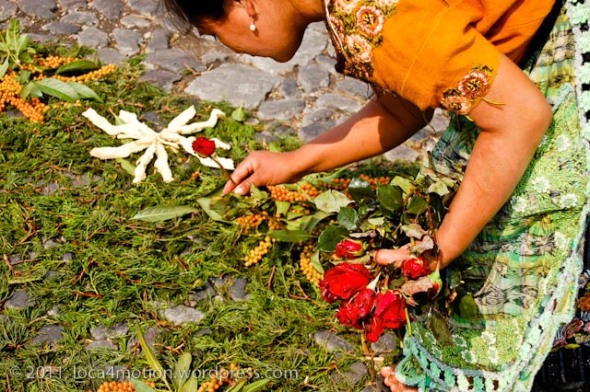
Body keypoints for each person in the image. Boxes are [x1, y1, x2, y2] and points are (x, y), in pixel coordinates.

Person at [162, 0, 590, 390]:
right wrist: (296, 160)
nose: (226, 46)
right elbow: (402, 106)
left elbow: (520, 117)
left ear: (244, 7)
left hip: (566, 46)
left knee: (516, 225)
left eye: (212, 33)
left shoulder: (368, 18)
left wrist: (440, 248)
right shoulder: (354, 11)